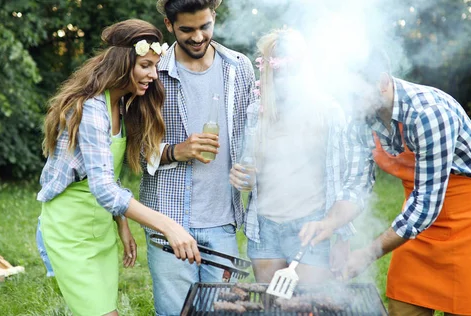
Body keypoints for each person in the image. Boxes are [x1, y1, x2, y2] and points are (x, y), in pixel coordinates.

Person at [36, 19, 201, 316]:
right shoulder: (91, 110)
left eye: (155, 66)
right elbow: (103, 189)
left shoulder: (122, 105)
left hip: (99, 228)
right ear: (124, 64)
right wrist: (168, 225)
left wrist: (121, 224)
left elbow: (105, 175)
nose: (153, 75)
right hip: (71, 231)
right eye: (146, 65)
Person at [328, 50, 471, 316]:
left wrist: (368, 252)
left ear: (382, 83)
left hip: (467, 221)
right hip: (416, 221)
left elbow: (427, 204)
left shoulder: (430, 113)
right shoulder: (361, 117)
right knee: (403, 308)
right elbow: (356, 186)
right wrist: (334, 228)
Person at [139, 1, 256, 315]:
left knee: (224, 311)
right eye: (186, 29)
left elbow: (252, 135)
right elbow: (134, 152)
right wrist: (178, 151)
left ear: (214, 17)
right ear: (168, 24)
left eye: (205, 26)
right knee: (177, 312)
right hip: (169, 220)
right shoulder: (153, 70)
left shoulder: (238, 66)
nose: (197, 37)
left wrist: (251, 169)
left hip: (223, 221)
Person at [228, 29, 363, 284]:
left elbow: (343, 181)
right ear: (268, 70)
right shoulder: (257, 111)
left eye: (291, 69)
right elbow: (249, 171)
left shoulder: (328, 111)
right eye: (278, 70)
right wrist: (243, 179)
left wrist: (343, 238)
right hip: (264, 229)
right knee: (271, 307)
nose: (284, 78)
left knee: (306, 307)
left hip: (311, 228)